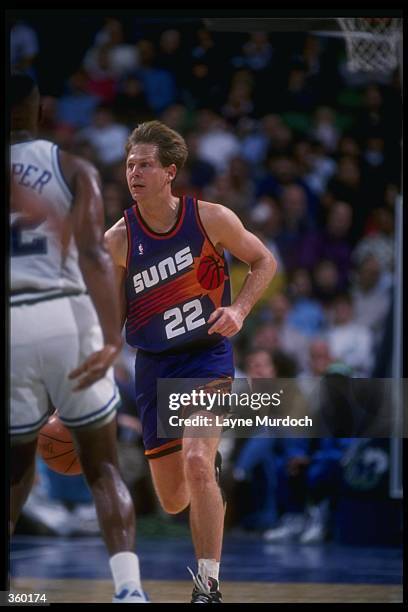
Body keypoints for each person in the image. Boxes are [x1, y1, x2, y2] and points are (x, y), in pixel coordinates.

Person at [105, 120, 277, 603]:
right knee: (173, 497)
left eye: (144, 165)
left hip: (205, 357)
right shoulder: (117, 240)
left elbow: (264, 261)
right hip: (153, 365)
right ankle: (206, 479)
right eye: (130, 164)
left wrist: (239, 310)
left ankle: (208, 586)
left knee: (199, 461)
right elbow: (108, 319)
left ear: (169, 172)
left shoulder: (211, 219)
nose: (133, 172)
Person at [9, 73, 148, 603]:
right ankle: (129, 589)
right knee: (103, 465)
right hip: (67, 316)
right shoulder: (72, 167)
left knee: (15, 469)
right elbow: (93, 253)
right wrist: (112, 338)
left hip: (13, 322)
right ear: (39, 109)